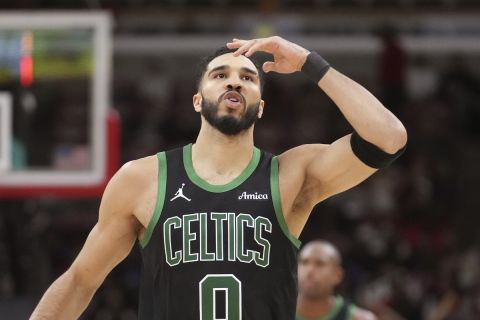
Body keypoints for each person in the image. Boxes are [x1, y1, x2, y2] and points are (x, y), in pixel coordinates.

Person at [30, 36, 407, 320]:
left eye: (248, 77)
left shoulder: (291, 174)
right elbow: (80, 280)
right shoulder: (142, 179)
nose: (235, 82)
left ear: (261, 107)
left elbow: (388, 137)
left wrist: (309, 62)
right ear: (197, 100)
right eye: (220, 75)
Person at [296, 240, 377, 320]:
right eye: (304, 262)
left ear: (337, 275)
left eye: (320, 264)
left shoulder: (361, 318)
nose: (309, 270)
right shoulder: (283, 309)